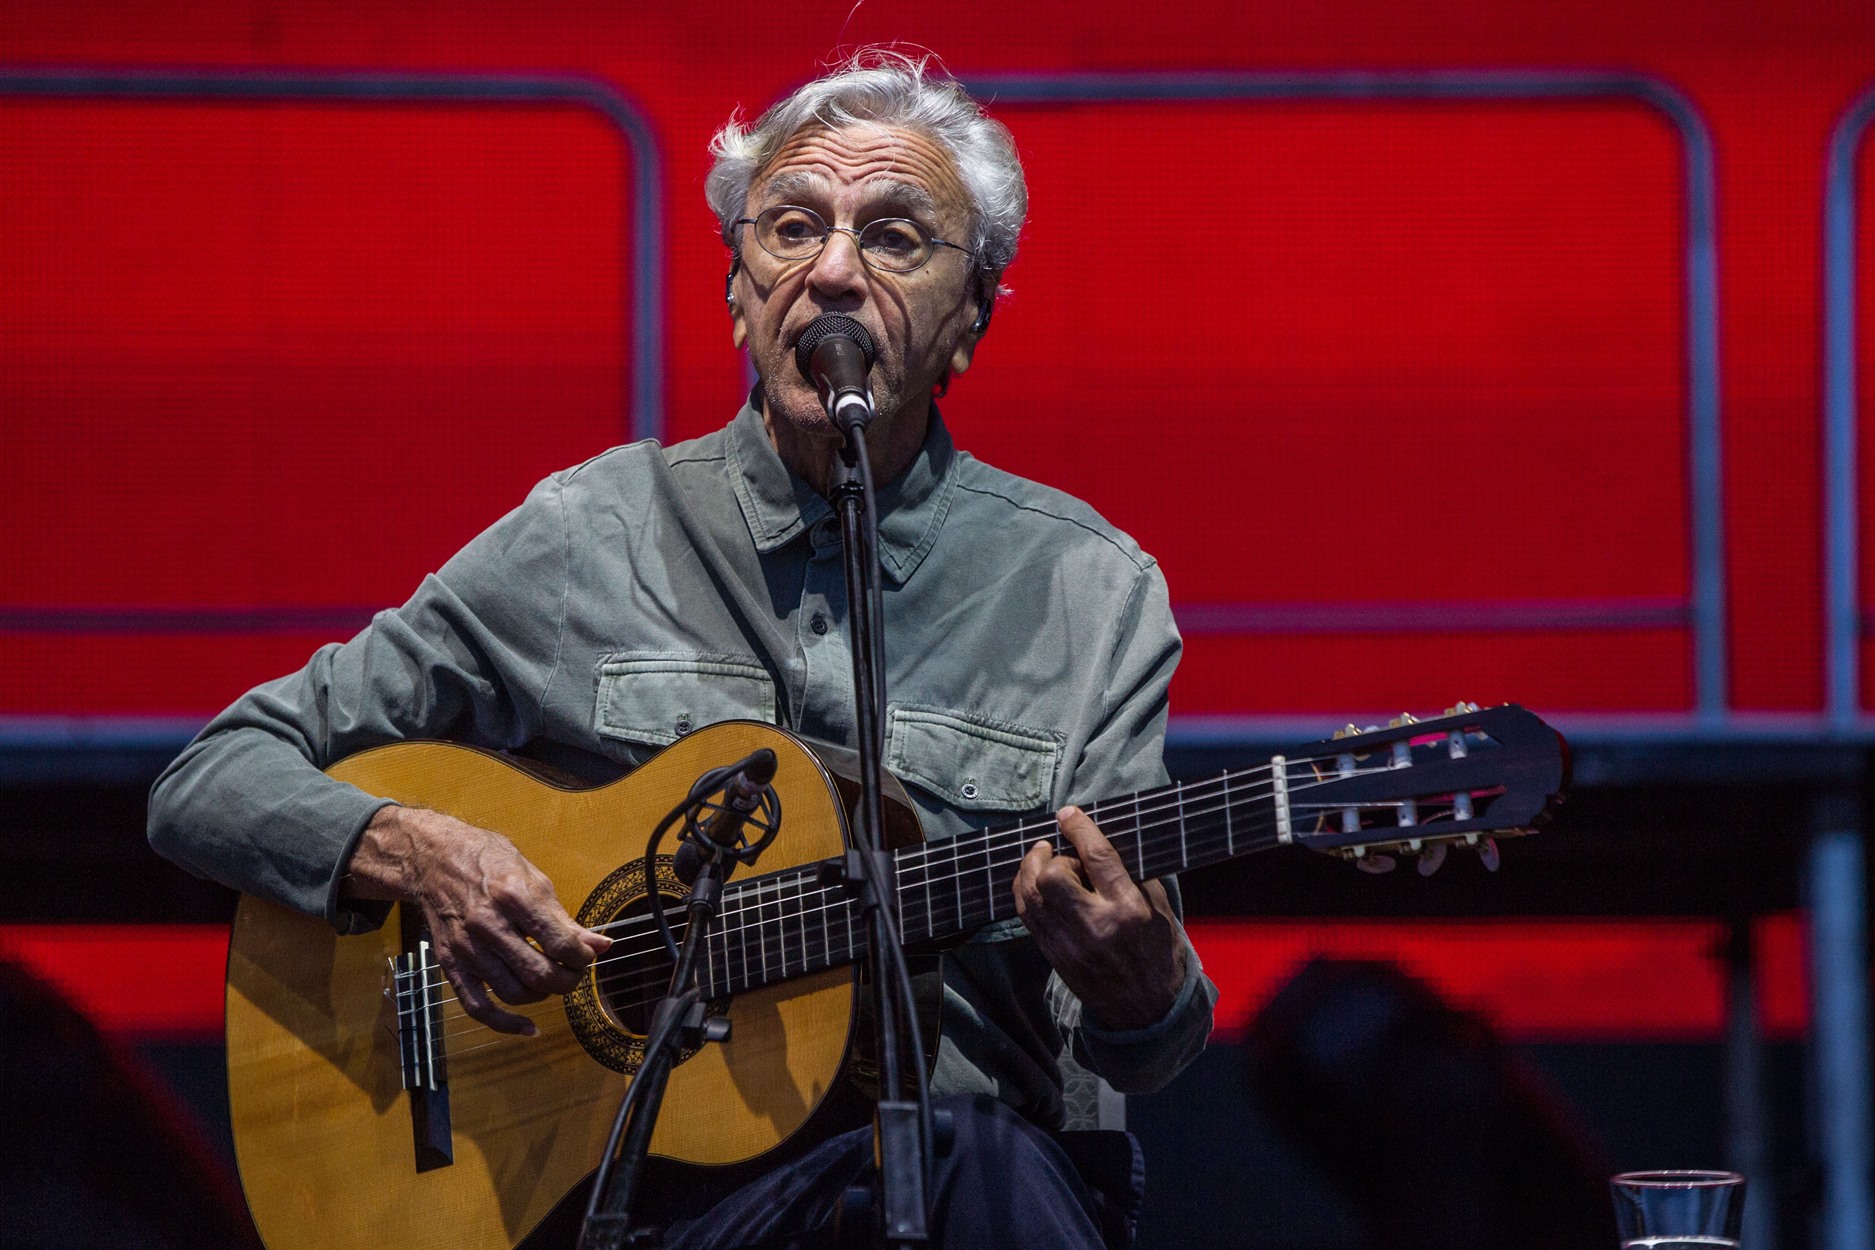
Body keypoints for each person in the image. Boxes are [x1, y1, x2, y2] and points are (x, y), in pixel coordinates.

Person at [148, 50, 1216, 1250]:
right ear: (737, 293)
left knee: (965, 1161)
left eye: (897, 238)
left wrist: (1143, 982)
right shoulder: (590, 532)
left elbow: (1146, 1040)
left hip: (968, 1187)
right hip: (634, 1205)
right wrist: (412, 848)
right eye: (792, 228)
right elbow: (212, 776)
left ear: (971, 317)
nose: (832, 273)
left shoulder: (1090, 594)